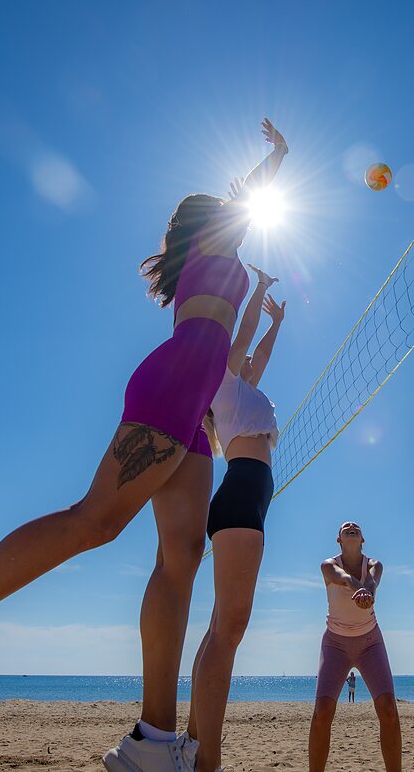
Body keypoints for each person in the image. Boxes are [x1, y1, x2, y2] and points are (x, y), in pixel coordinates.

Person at [0, 119, 290, 772]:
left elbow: (235, 343)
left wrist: (259, 298)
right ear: (207, 225)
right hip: (176, 383)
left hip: (194, 406)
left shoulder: (216, 272)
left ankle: (153, 740)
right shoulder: (215, 249)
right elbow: (244, 199)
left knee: (180, 557)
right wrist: (278, 158)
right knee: (95, 521)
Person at [182, 278, 287, 772]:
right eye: (241, 358)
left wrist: (277, 323)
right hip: (242, 492)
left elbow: (259, 353)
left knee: (219, 629)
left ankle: (190, 743)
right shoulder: (222, 383)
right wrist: (258, 290)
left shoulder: (245, 390)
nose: (248, 361)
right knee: (229, 630)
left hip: (249, 497)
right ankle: (208, 760)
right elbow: (244, 339)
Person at [308, 522, 400, 772]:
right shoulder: (328, 565)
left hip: (370, 643)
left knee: (388, 709)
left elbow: (372, 583)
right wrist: (360, 591)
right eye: (345, 527)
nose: (351, 526)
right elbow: (345, 579)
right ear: (339, 539)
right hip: (335, 644)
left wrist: (367, 592)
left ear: (362, 540)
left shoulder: (374, 564)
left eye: (355, 527)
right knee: (322, 713)